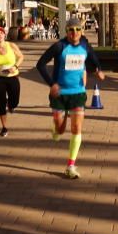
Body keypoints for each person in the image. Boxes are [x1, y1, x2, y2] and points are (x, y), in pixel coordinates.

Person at [35, 17, 104, 179]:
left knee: (76, 129)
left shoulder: (85, 46)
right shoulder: (59, 46)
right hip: (59, 94)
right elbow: (40, 64)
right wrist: (52, 84)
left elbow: (94, 60)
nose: (74, 33)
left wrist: (97, 70)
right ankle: (56, 129)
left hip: (78, 94)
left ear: (82, 31)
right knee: (60, 130)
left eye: (78, 29)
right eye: (71, 30)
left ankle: (70, 166)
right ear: (66, 32)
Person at [0, 26, 24, 137]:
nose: (0, 35)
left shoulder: (11, 46)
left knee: (15, 102)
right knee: (1, 104)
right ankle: (4, 128)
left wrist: (15, 66)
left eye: (1, 33)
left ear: (4, 35)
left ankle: (11, 105)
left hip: (13, 77)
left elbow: (21, 57)